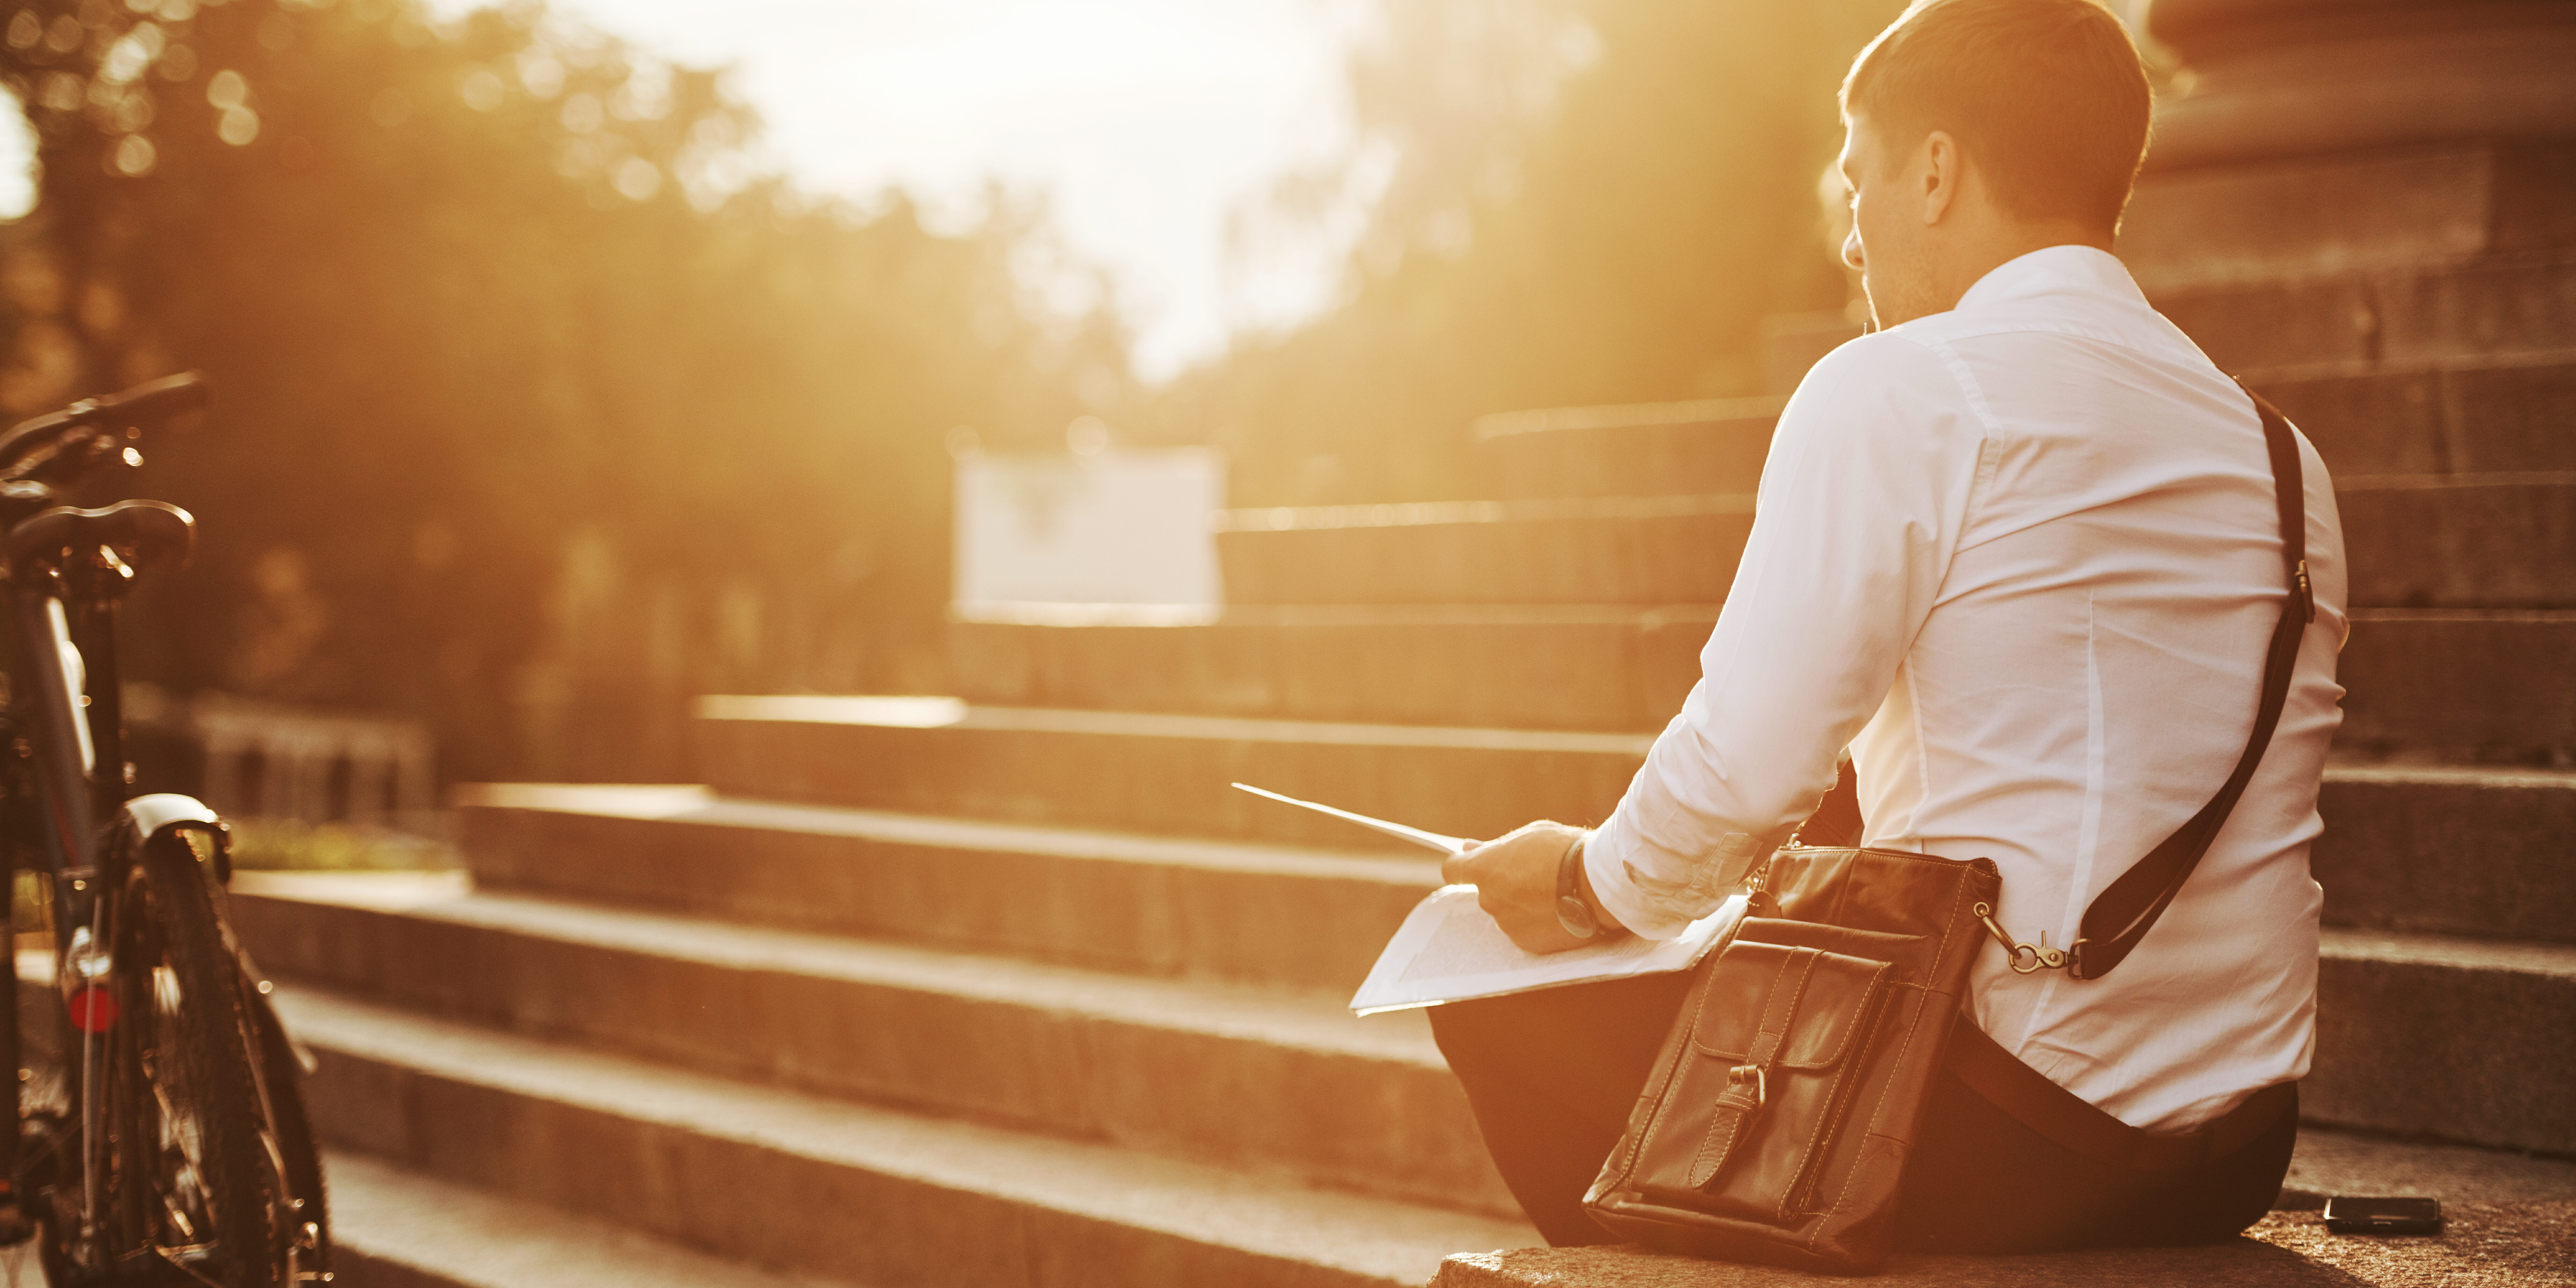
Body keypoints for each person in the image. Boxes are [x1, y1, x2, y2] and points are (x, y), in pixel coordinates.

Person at [1429, 0, 2347, 1254]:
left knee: (1489, 980)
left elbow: (1744, 764)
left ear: (1933, 172)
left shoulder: (1906, 389)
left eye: (1855, 175)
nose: (1848, 234)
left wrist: (1583, 889)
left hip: (2009, 1132)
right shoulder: (2285, 461)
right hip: (2231, 1144)